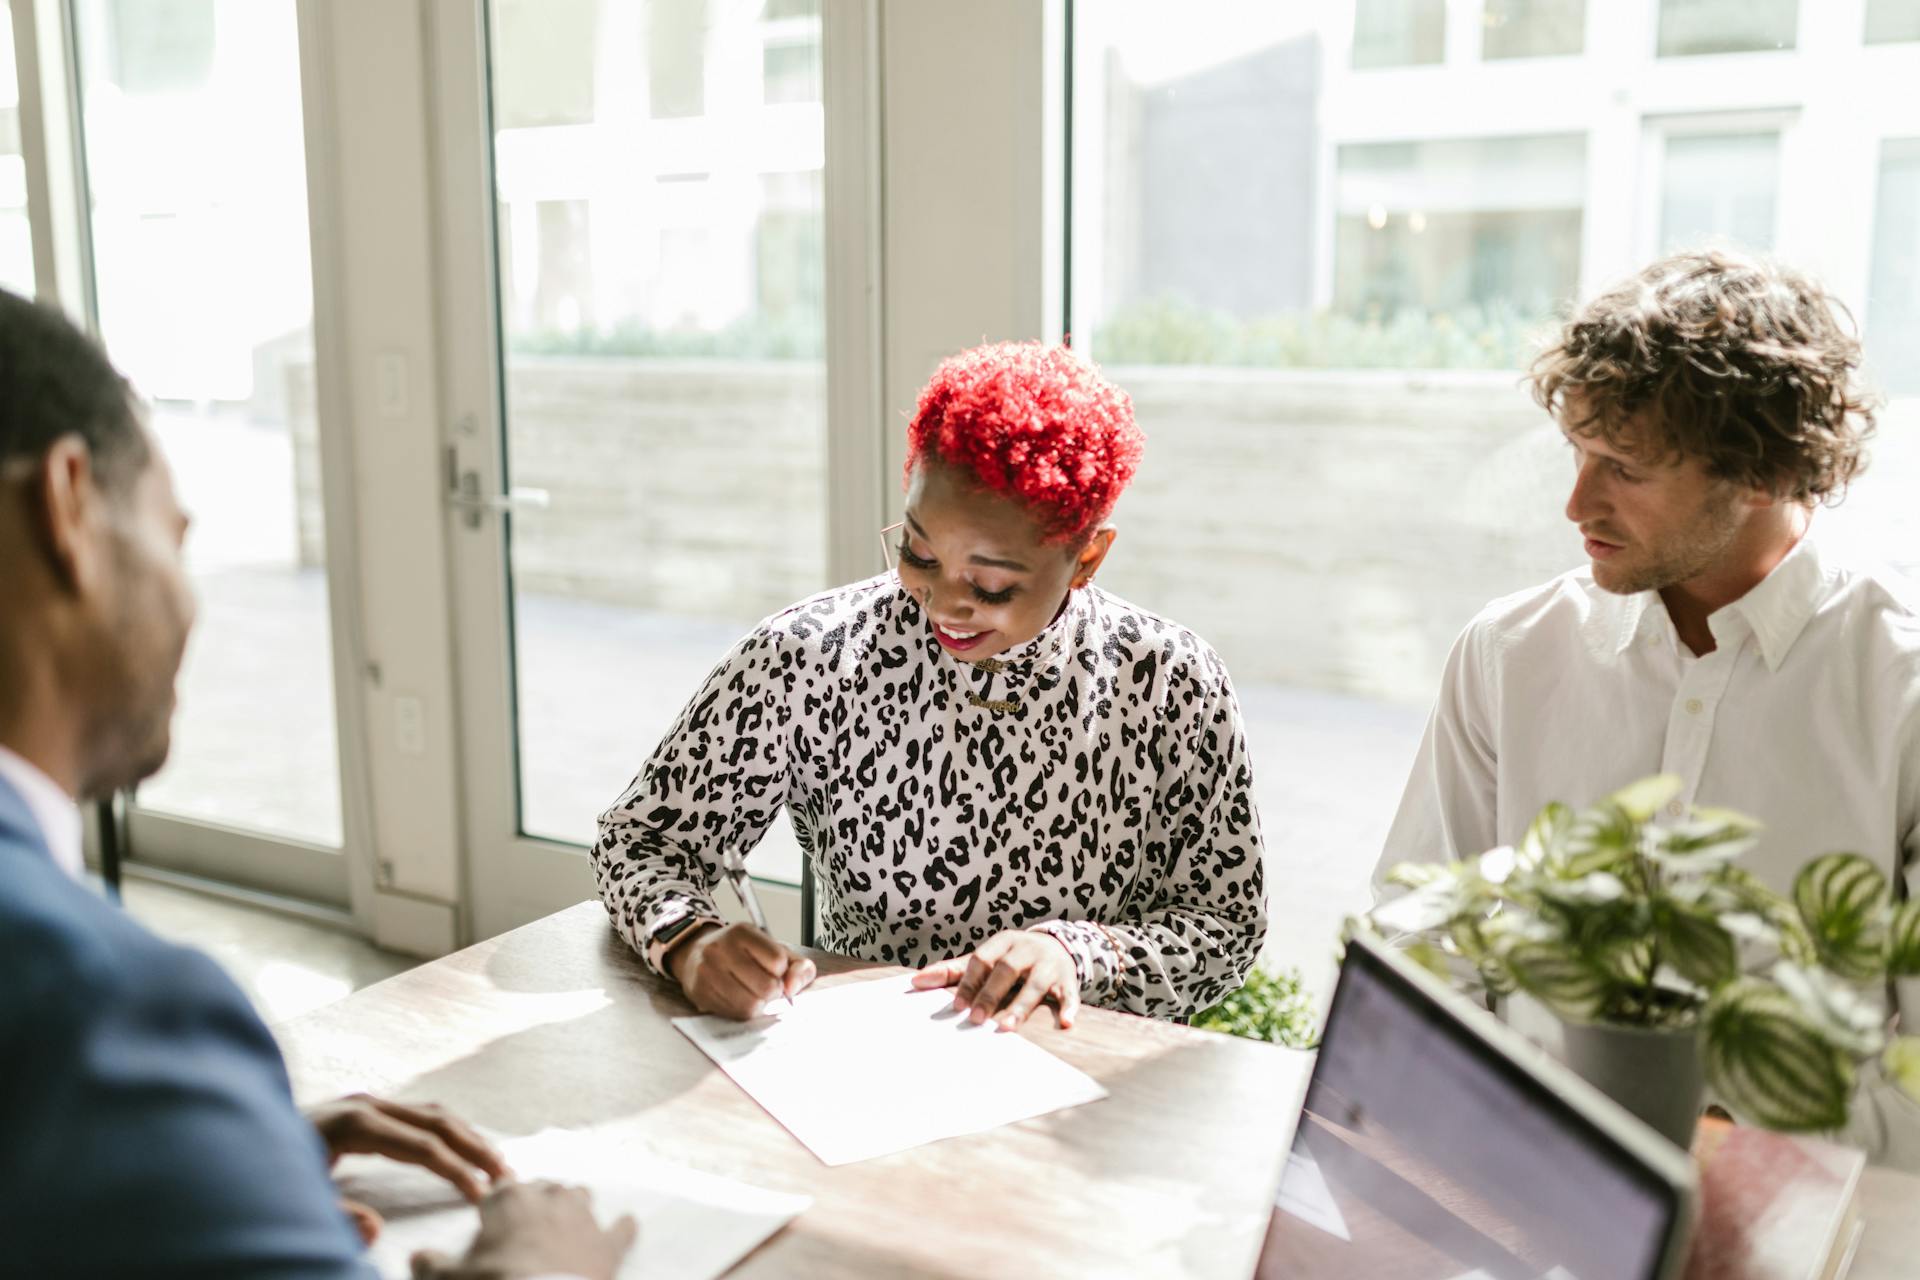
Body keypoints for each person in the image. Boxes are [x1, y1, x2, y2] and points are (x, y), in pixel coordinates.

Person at [0, 287, 635, 1278]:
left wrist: (195, 1158)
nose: (189, 600)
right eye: (175, 536)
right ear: (68, 503)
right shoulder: (106, 1013)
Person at [1377, 248, 1920, 1164]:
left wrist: (1718, 1161)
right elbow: (1421, 954)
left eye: (1624, 467)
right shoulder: (1510, 654)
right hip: (1521, 1199)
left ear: (1761, 473)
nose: (1577, 502)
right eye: (1579, 455)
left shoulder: (1898, 689)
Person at [594, 341, 1268, 1029]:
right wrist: (688, 941)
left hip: (1079, 1085)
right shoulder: (809, 656)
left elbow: (1227, 926)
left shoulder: (1173, 684)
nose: (943, 605)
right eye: (919, 553)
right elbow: (640, 841)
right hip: (860, 1065)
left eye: (992, 585)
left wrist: (1078, 951)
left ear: (1087, 557)